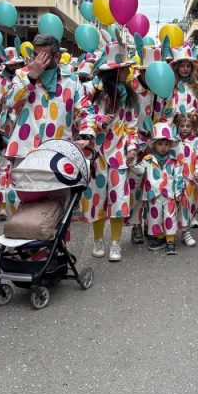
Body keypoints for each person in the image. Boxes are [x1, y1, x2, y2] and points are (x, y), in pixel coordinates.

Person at [2, 34, 89, 212]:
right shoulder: (22, 76)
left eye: (44, 56)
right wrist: (31, 77)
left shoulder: (72, 81)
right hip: (26, 151)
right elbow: (11, 101)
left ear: (57, 57)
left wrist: (87, 135)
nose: (38, 60)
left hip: (58, 152)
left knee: (59, 208)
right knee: (22, 207)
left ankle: (59, 241)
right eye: (36, 55)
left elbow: (86, 110)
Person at [79, 38, 138, 261]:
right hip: (96, 155)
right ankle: (97, 240)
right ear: (114, 72)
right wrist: (99, 121)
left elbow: (132, 126)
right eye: (124, 69)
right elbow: (82, 118)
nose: (128, 72)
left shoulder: (130, 96)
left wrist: (132, 147)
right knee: (95, 199)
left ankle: (115, 243)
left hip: (119, 155)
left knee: (119, 199)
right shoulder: (93, 94)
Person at [131, 122, 183, 255]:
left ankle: (170, 241)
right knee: (155, 217)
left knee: (169, 216)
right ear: (154, 144)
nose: (163, 147)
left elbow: (178, 177)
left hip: (169, 194)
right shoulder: (148, 159)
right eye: (160, 144)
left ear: (170, 145)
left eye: (166, 144)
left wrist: (178, 192)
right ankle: (161, 239)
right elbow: (139, 170)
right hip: (152, 195)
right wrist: (130, 163)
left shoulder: (173, 161)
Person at [174, 112, 198, 247]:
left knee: (191, 205)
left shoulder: (197, 141)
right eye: (182, 126)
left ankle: (185, 228)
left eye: (188, 126)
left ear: (192, 126)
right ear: (177, 126)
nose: (185, 128)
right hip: (176, 178)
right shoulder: (173, 140)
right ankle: (180, 231)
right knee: (179, 205)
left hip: (192, 179)